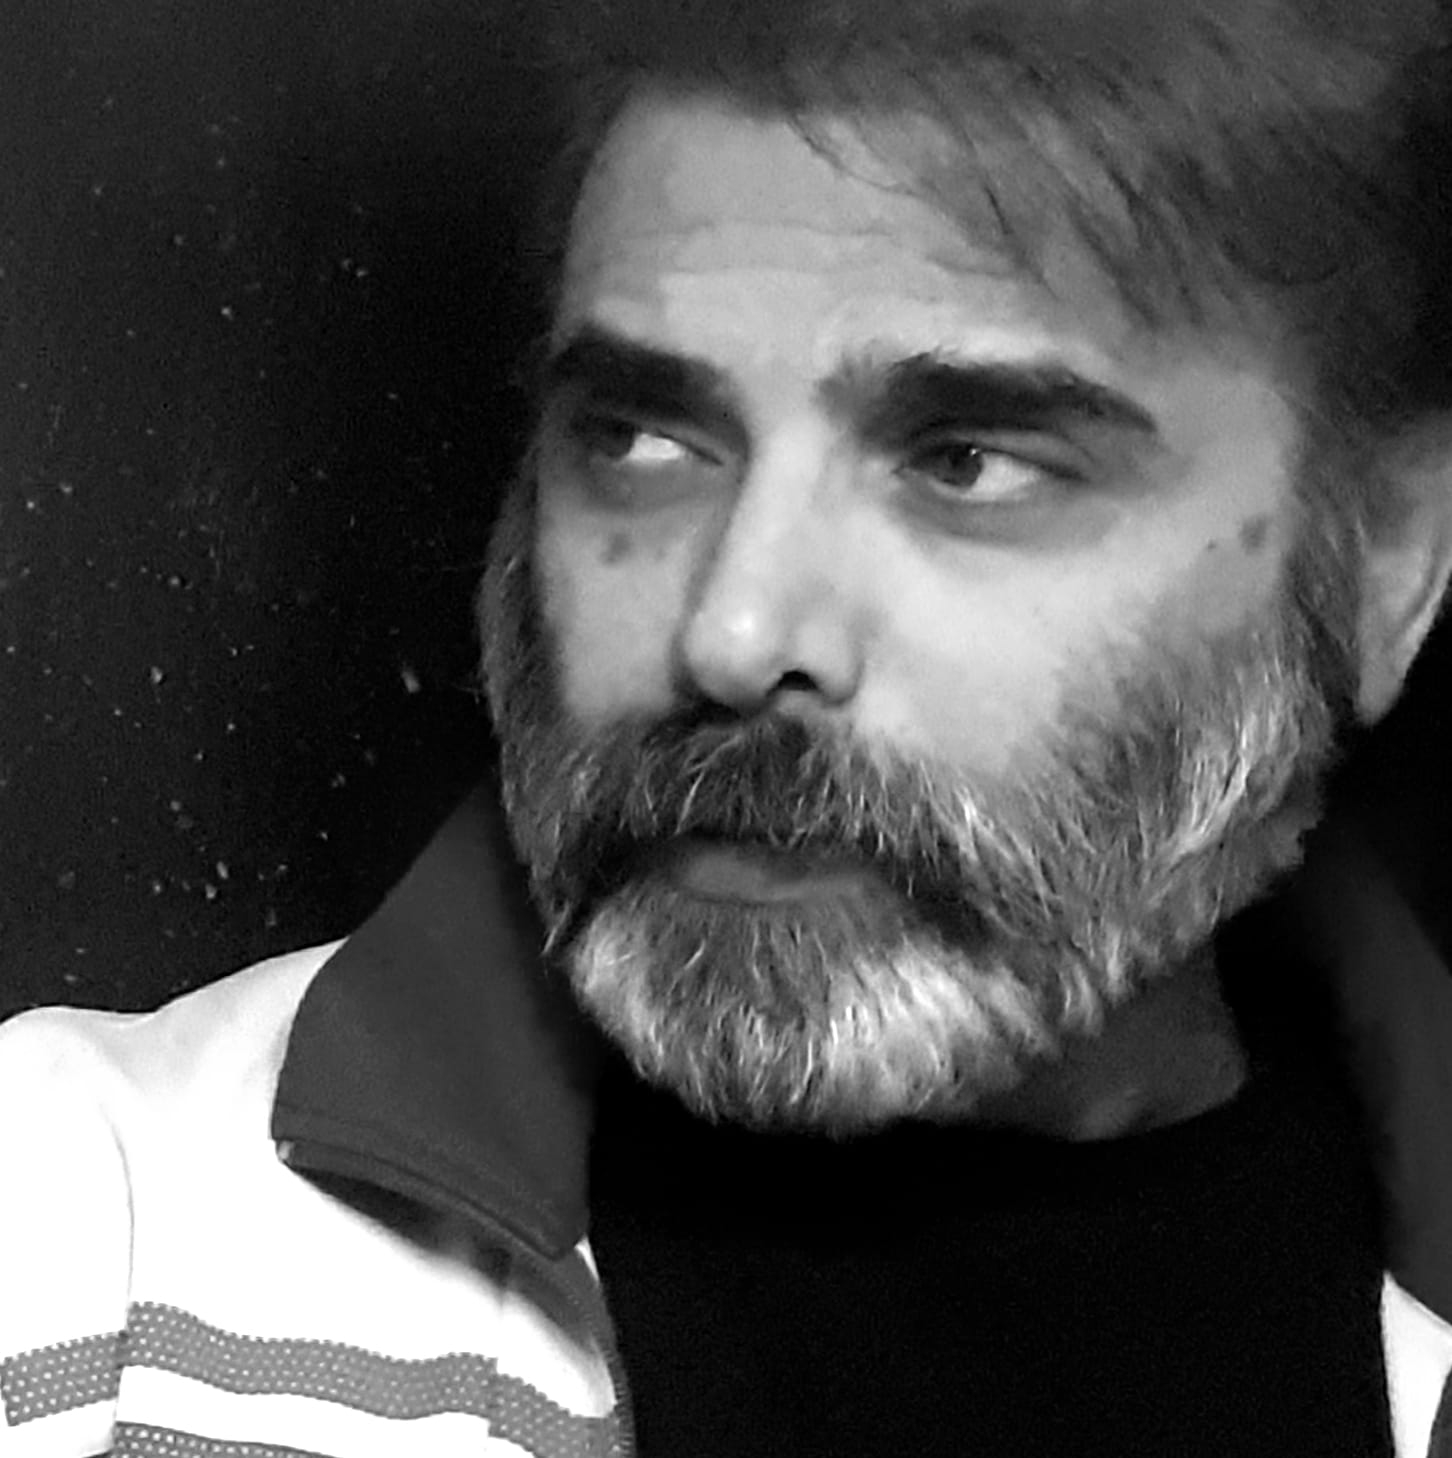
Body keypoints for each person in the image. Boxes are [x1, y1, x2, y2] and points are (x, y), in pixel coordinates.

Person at [5, 0, 1452, 1453]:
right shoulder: (71, 1246)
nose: (735, 634)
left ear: (1387, 563)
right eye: (639, 440)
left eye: (968, 462)